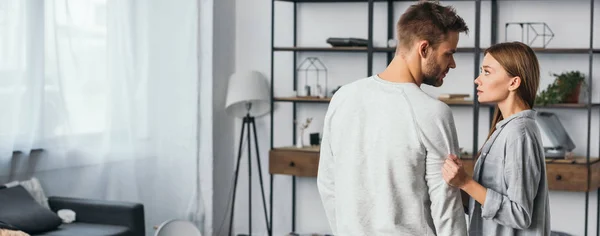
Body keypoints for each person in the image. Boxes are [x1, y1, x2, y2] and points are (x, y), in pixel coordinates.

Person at [316, 1, 469, 235]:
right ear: (424, 48)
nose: (453, 64)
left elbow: (327, 183)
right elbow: (446, 206)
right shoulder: (433, 112)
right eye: (449, 54)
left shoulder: (343, 97)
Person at [441, 41, 551, 236]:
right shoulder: (507, 129)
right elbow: (489, 206)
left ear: (514, 82)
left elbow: (519, 214)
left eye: (487, 72)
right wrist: (457, 185)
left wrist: (466, 182)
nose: (477, 79)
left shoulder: (519, 133)